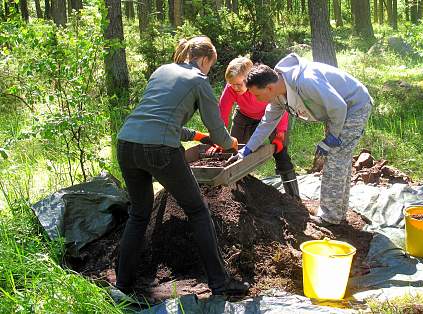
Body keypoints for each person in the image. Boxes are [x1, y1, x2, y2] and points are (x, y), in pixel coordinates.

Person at [115, 36, 249, 296]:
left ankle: (122, 285)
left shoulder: (162, 70)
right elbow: (219, 132)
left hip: (127, 143)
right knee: (198, 211)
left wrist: (197, 137)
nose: (210, 70)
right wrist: (230, 143)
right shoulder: (199, 80)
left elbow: (159, 117)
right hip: (161, 149)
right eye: (212, 64)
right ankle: (220, 283)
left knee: (139, 214)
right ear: (206, 59)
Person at [230, 53, 372, 225]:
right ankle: (338, 212)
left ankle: (330, 217)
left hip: (353, 106)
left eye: (257, 95)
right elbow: (266, 124)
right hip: (337, 112)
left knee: (335, 161)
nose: (255, 99)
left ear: (268, 88)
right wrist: (247, 150)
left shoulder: (306, 81)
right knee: (339, 160)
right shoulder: (277, 95)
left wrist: (332, 137)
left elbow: (339, 107)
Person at [218, 57, 299, 198]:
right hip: (244, 115)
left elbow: (280, 106)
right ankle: (236, 194)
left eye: (238, 84)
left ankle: (293, 195)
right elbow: (222, 113)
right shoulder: (231, 87)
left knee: (280, 152)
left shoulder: (262, 84)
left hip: (272, 117)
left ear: (249, 78)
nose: (235, 88)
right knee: (232, 151)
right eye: (232, 85)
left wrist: (280, 133)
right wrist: (219, 138)